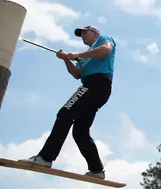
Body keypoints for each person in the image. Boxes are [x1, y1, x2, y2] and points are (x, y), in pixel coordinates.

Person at [22, 25, 116, 178]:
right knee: (80, 132)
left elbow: (106, 50)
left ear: (95, 33)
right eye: (81, 35)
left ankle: (46, 158)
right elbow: (77, 74)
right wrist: (67, 59)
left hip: (97, 83)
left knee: (65, 113)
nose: (82, 36)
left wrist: (76, 54)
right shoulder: (85, 57)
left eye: (85, 33)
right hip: (93, 87)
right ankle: (97, 170)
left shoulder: (103, 39)